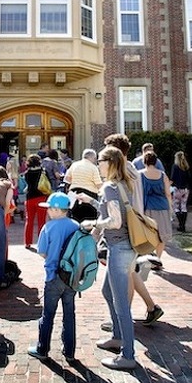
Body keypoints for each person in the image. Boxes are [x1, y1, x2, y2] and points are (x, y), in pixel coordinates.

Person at [78, 145, 139, 371]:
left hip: (119, 248)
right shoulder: (121, 185)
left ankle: (128, 354)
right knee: (107, 292)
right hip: (126, 246)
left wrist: (92, 223)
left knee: (121, 302)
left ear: (110, 163)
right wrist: (92, 201)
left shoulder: (110, 187)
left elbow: (114, 221)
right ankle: (116, 336)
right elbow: (114, 211)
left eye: (100, 162)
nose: (97, 166)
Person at [98, 133, 164, 331]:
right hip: (132, 227)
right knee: (128, 272)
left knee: (124, 276)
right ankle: (148, 308)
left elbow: (120, 208)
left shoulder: (123, 172)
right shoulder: (132, 169)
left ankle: (122, 321)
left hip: (126, 231)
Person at [27, 192, 80, 363]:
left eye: (50, 208)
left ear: (57, 209)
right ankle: (70, 352)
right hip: (71, 277)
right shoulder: (76, 226)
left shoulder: (48, 227)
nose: (48, 211)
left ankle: (42, 349)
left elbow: (42, 252)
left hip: (53, 276)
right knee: (69, 314)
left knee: (48, 314)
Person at [140, 151, 174, 268]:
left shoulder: (140, 175)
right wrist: (170, 207)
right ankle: (158, 259)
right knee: (162, 235)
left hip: (147, 207)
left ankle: (149, 259)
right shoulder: (163, 175)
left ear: (144, 161)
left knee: (149, 235)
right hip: (162, 207)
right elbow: (168, 193)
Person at [64, 149, 103, 223]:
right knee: (89, 220)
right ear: (92, 158)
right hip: (89, 195)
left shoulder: (74, 164)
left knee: (75, 219)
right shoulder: (93, 167)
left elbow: (67, 179)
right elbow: (98, 184)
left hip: (74, 194)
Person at [23, 154, 50, 248]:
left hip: (30, 198)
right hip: (41, 197)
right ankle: (41, 242)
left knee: (29, 221)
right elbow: (48, 182)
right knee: (41, 221)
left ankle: (27, 242)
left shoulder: (26, 173)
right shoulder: (43, 172)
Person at [170, 151, 191, 232]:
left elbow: (172, 178)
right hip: (185, 189)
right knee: (183, 206)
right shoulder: (186, 167)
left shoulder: (175, 166)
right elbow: (189, 178)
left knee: (176, 206)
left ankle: (180, 224)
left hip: (177, 188)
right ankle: (183, 225)